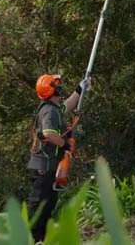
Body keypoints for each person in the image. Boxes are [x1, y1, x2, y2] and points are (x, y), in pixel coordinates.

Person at [27, 73, 89, 243]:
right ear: (53, 90)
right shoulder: (48, 110)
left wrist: (80, 89)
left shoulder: (52, 107)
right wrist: (65, 145)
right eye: (57, 84)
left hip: (48, 167)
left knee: (47, 206)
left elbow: (66, 107)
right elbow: (49, 133)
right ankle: (32, 239)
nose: (59, 86)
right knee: (39, 207)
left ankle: (41, 239)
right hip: (43, 167)